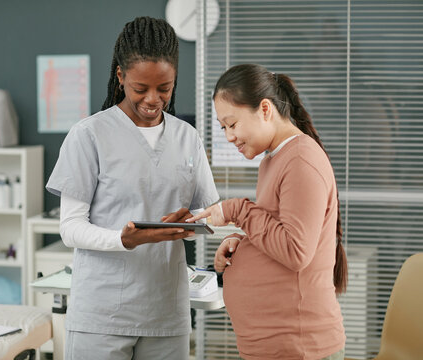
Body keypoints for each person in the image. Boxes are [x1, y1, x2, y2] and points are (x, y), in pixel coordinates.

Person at [46, 16, 219, 360]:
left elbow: (210, 211)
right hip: (102, 313)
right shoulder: (89, 135)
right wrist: (123, 239)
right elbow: (70, 228)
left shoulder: (187, 137)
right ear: (120, 77)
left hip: (166, 313)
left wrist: (189, 225)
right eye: (141, 89)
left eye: (164, 88)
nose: (153, 99)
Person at [186, 64, 348, 360]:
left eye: (232, 124)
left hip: (299, 348)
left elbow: (295, 250)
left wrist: (237, 209)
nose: (229, 137)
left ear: (264, 109)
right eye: (223, 127)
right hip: (278, 347)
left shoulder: (300, 160)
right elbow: (278, 231)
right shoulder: (274, 160)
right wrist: (243, 242)